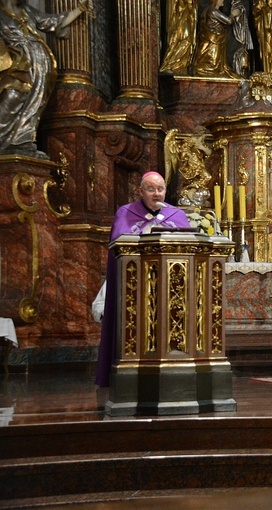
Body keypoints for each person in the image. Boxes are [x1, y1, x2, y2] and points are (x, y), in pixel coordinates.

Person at [95, 172, 191, 387]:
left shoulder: (176, 214)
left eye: (160, 189)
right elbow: (118, 246)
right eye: (151, 189)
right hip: (135, 287)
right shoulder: (126, 213)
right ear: (141, 191)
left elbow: (188, 243)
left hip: (169, 289)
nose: (156, 193)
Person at [0, 0, 92, 155]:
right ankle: (4, 141)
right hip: (17, 66)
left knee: (34, 104)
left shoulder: (26, 10)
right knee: (12, 98)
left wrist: (79, 9)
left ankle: (22, 141)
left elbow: (52, 21)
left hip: (40, 68)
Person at [191, 0, 240, 79]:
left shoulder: (208, 10)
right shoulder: (213, 11)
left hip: (213, 39)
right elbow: (228, 21)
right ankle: (207, 70)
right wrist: (233, 14)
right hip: (213, 40)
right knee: (212, 62)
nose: (223, 0)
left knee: (213, 60)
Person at [159, 0, 198, 75]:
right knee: (185, 40)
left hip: (188, 17)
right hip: (182, 19)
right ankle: (171, 63)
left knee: (187, 41)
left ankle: (181, 65)